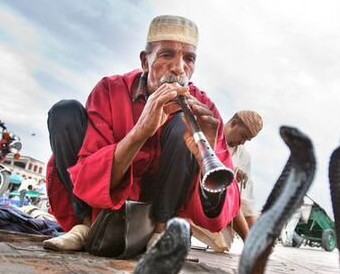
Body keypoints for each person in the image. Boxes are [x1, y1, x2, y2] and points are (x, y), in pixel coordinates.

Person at [42, 15, 240, 253]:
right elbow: (86, 173)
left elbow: (218, 215)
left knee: (180, 123)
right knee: (64, 112)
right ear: (145, 61)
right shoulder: (110, 89)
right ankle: (83, 226)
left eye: (189, 58)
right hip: (102, 207)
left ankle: (161, 231)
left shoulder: (203, 106)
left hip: (158, 208)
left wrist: (206, 158)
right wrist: (140, 133)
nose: (179, 68)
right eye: (166, 55)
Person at [222, 111, 263, 244]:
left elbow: (246, 200)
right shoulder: (208, 133)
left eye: (247, 140)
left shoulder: (243, 156)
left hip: (221, 208)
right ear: (233, 124)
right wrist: (230, 171)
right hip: (195, 190)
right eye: (243, 136)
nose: (243, 143)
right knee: (228, 185)